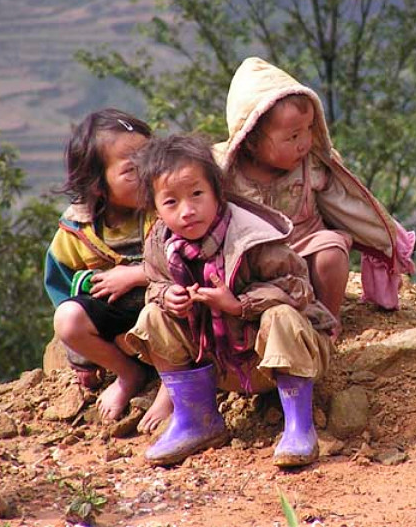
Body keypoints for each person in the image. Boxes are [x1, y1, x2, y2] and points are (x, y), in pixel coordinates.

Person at [122, 134, 335, 469]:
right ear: (155, 209)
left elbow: (297, 289)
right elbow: (154, 283)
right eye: (171, 202)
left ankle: (298, 426)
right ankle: (198, 420)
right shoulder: (162, 243)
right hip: (220, 363)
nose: (187, 211)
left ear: (217, 192)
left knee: (280, 316)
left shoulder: (253, 237)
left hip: (277, 360)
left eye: (196, 194)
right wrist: (168, 297)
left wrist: (239, 305)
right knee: (153, 315)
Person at [214, 57, 416, 327]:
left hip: (305, 252)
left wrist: (383, 237)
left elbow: (348, 204)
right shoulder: (224, 173)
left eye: (309, 129)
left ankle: (326, 324)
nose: (305, 143)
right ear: (249, 140)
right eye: (292, 136)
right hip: (255, 265)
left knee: (331, 250)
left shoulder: (313, 166)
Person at [44, 108, 162, 422]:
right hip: (118, 322)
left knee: (162, 311)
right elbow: (61, 285)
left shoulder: (167, 208)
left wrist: (137, 274)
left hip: (166, 310)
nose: (148, 172)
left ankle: (173, 387)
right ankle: (128, 374)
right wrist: (87, 347)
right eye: (131, 169)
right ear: (97, 185)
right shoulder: (76, 232)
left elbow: (190, 265)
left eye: (151, 158)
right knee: (68, 319)